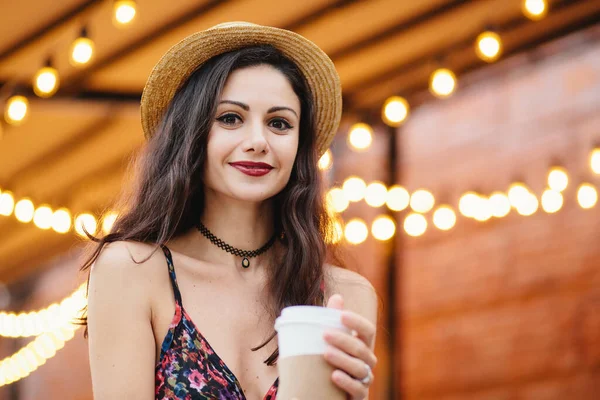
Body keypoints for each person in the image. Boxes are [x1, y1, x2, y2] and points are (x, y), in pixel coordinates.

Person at [83, 22, 378, 400]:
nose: (258, 141)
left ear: (299, 146)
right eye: (230, 118)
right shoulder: (132, 270)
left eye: (279, 123)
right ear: (191, 135)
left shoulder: (346, 296)